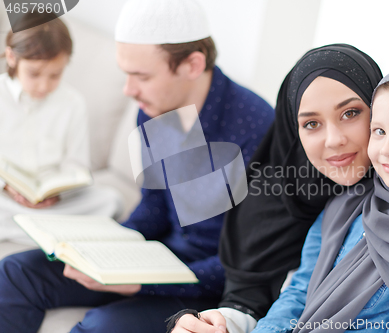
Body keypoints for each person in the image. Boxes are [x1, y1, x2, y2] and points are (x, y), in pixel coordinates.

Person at [0, 0, 274, 332]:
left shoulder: (257, 130)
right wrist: (102, 252)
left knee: (101, 327)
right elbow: (153, 210)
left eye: (141, 76)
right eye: (126, 74)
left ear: (192, 65)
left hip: (207, 285)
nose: (129, 91)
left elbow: (248, 269)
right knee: (16, 271)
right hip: (157, 260)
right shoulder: (154, 108)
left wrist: (143, 285)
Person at [170, 49, 389, 333]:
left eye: (351, 113)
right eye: (311, 123)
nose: (334, 139)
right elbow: (293, 293)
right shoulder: (341, 204)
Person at [0, 13, 122, 243]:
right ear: (12, 57)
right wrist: (7, 187)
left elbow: (77, 165)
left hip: (53, 201)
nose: (44, 85)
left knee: (111, 200)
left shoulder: (72, 103)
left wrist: (58, 193)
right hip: (6, 198)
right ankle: (49, 231)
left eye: (55, 75)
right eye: (34, 74)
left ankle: (30, 228)